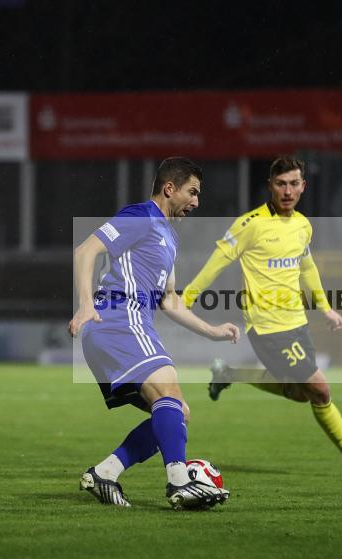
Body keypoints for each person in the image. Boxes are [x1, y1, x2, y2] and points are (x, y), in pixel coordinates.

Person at [182, 155, 342, 479]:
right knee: (321, 390)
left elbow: (307, 267)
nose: (287, 191)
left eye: (293, 184)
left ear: (303, 186)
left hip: (296, 323)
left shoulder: (303, 225)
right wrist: (186, 297)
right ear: (270, 186)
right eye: (281, 184)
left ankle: (230, 375)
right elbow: (218, 260)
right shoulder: (250, 224)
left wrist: (325, 307)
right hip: (266, 327)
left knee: (301, 393)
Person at [70, 157, 240, 510]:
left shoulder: (169, 238)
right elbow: (86, 249)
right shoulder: (142, 216)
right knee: (170, 390)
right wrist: (86, 304)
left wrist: (211, 331)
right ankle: (180, 483)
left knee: (178, 410)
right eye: (192, 192)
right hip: (118, 318)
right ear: (169, 188)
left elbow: (168, 299)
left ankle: (105, 472)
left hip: (125, 325)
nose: (197, 202)